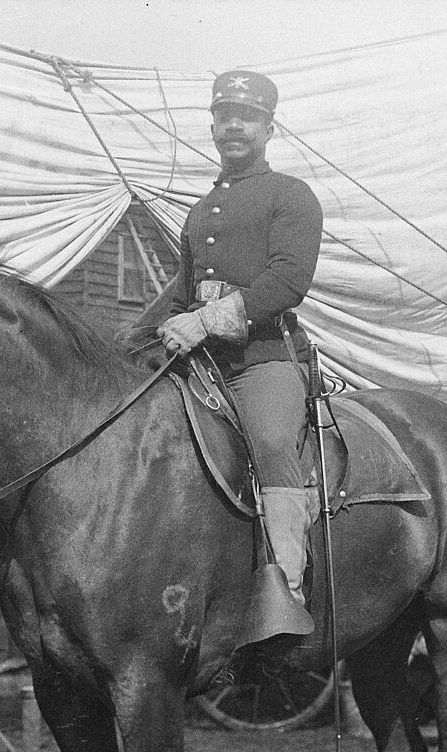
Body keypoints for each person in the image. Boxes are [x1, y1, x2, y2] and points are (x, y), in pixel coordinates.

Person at [131, 69, 324, 626]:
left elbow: (288, 282)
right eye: (225, 115)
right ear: (212, 125)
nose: (234, 126)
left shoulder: (291, 196)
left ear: (269, 127)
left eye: (248, 117)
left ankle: (286, 592)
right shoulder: (200, 210)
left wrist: (205, 322)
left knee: (268, 441)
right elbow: (184, 294)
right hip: (202, 366)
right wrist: (159, 333)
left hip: (263, 359)